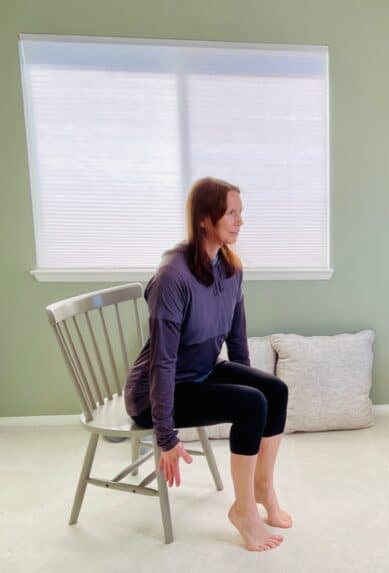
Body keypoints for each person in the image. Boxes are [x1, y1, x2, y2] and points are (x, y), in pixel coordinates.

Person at [124, 176, 291, 552]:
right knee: (253, 404)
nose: (239, 221)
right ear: (204, 219)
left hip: (198, 372)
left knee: (273, 391)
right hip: (153, 395)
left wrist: (250, 380)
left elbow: (236, 339)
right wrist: (165, 436)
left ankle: (262, 487)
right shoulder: (172, 277)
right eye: (232, 213)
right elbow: (162, 364)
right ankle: (244, 511)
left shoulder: (229, 268)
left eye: (240, 213)